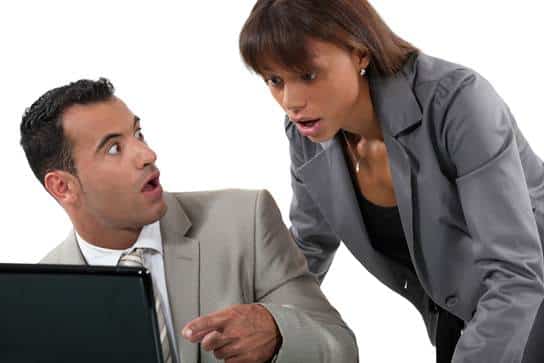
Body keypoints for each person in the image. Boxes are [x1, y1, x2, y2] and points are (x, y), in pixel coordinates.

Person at [238, 1, 544, 362]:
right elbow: (309, 248)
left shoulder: (457, 102)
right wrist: (264, 322)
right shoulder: (307, 135)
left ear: (360, 53)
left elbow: (515, 270)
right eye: (275, 80)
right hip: (464, 320)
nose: (291, 100)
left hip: (525, 305)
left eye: (308, 75)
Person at [20, 78, 358, 363]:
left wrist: (277, 332)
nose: (147, 155)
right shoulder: (36, 300)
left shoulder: (245, 220)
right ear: (62, 186)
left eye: (138, 134)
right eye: (113, 149)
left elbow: (341, 347)